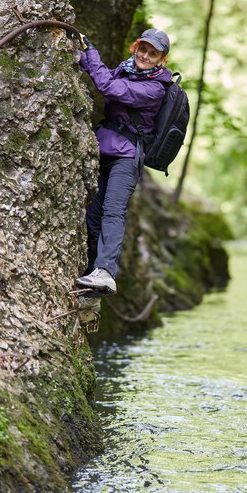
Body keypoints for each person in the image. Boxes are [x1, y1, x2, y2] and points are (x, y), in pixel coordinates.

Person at [75, 28, 173, 295]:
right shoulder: (126, 68)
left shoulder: (154, 88)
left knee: (113, 211)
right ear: (135, 47)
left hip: (127, 157)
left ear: (161, 59)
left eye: (153, 53)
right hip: (106, 149)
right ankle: (91, 286)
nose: (145, 56)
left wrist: (91, 53)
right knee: (93, 218)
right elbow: (105, 76)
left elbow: (108, 86)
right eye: (143, 49)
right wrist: (82, 52)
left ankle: (106, 272)